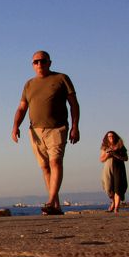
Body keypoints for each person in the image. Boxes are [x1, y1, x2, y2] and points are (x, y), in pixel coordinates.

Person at [12, 50, 80, 215]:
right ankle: (55, 206)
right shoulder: (29, 84)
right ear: (32, 65)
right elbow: (22, 107)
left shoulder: (61, 78)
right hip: (35, 131)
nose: (39, 64)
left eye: (43, 61)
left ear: (49, 62)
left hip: (57, 128)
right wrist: (15, 126)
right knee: (45, 167)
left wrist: (75, 126)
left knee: (55, 162)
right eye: (36, 62)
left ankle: (50, 201)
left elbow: (74, 104)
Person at [100, 131, 128, 213]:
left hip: (119, 168)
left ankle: (116, 208)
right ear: (107, 138)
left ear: (115, 136)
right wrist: (107, 154)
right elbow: (101, 159)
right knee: (108, 187)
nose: (111, 137)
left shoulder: (120, 146)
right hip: (108, 167)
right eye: (109, 136)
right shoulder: (104, 147)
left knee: (118, 188)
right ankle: (113, 201)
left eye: (112, 136)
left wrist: (115, 154)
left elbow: (126, 158)